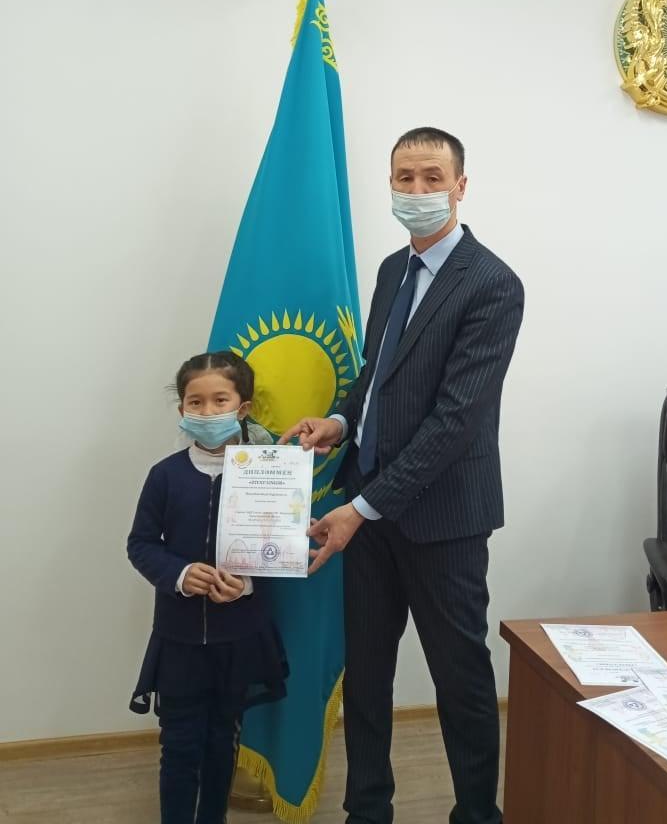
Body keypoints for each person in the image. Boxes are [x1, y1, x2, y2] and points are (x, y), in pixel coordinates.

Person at [280, 128, 524, 824]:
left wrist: (362, 507)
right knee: (367, 674)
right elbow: (378, 373)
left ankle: (476, 813)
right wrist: (340, 421)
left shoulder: (493, 284)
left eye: (431, 178)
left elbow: (455, 421)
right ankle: (367, 809)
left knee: (461, 678)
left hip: (442, 519)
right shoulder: (393, 269)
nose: (416, 191)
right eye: (404, 178)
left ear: (460, 186)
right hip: (367, 509)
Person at [128, 351, 287, 824]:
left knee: (222, 741)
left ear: (243, 407)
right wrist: (178, 574)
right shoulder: (165, 475)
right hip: (179, 638)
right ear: (182, 409)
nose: (207, 410)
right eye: (195, 402)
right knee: (179, 746)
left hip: (239, 636)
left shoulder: (269, 474)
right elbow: (141, 544)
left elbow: (281, 547)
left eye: (220, 400)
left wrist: (247, 582)